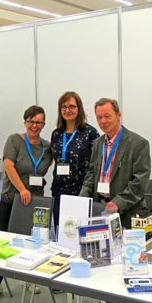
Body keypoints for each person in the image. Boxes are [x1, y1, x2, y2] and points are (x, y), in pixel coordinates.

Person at [79, 98, 151, 303]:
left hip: (126, 209)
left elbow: (140, 183)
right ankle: (110, 297)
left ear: (119, 115)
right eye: (99, 117)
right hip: (101, 208)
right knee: (105, 259)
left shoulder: (138, 143)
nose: (103, 121)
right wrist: (82, 198)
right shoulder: (98, 143)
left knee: (131, 260)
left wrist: (119, 202)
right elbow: (92, 173)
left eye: (107, 116)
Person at [0, 105, 53, 301]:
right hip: (12, 198)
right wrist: (22, 189)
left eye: (39, 122)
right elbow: (8, 165)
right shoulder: (14, 140)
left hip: (36, 202)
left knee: (34, 241)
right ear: (25, 122)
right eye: (31, 121)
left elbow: (47, 165)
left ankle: (30, 277)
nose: (35, 125)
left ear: (44, 124)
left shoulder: (47, 146)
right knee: (4, 239)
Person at [50, 91, 99, 231]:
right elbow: (56, 158)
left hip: (81, 191)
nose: (67, 110)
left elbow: (97, 162)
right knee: (61, 231)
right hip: (59, 190)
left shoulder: (90, 133)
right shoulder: (56, 133)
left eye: (72, 106)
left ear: (79, 108)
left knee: (79, 234)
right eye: (64, 107)